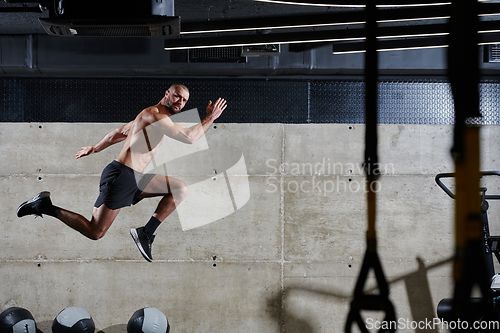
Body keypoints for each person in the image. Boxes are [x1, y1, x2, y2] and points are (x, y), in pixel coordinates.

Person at [17, 84, 227, 262]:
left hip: (134, 177)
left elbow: (119, 132)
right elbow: (190, 137)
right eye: (177, 96)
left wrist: (95, 147)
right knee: (95, 232)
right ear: (167, 94)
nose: (180, 101)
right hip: (122, 177)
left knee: (179, 189)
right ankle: (44, 206)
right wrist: (211, 117)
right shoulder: (154, 115)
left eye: (184, 100)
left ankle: (145, 233)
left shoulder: (154, 118)